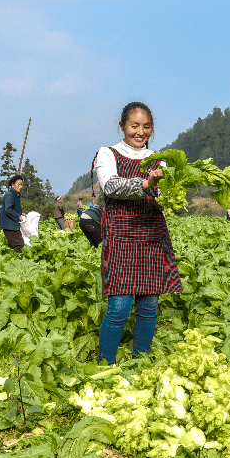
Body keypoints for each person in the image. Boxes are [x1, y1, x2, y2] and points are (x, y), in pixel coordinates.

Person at [94, 102, 182, 364]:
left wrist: (173, 190)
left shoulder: (159, 159)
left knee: (149, 305)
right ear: (122, 126)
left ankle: (139, 363)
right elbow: (110, 186)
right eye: (134, 126)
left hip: (152, 235)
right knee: (119, 307)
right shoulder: (107, 153)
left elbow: (167, 197)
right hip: (120, 235)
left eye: (146, 127)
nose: (140, 132)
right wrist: (146, 183)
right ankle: (105, 365)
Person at [0, 175, 27, 252]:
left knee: (12, 245)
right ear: (12, 184)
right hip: (9, 225)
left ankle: (10, 260)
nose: (21, 187)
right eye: (19, 184)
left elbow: (14, 208)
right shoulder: (10, 194)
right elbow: (8, 210)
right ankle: (17, 261)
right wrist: (18, 216)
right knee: (19, 244)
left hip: (12, 225)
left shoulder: (15, 194)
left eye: (21, 184)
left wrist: (21, 213)